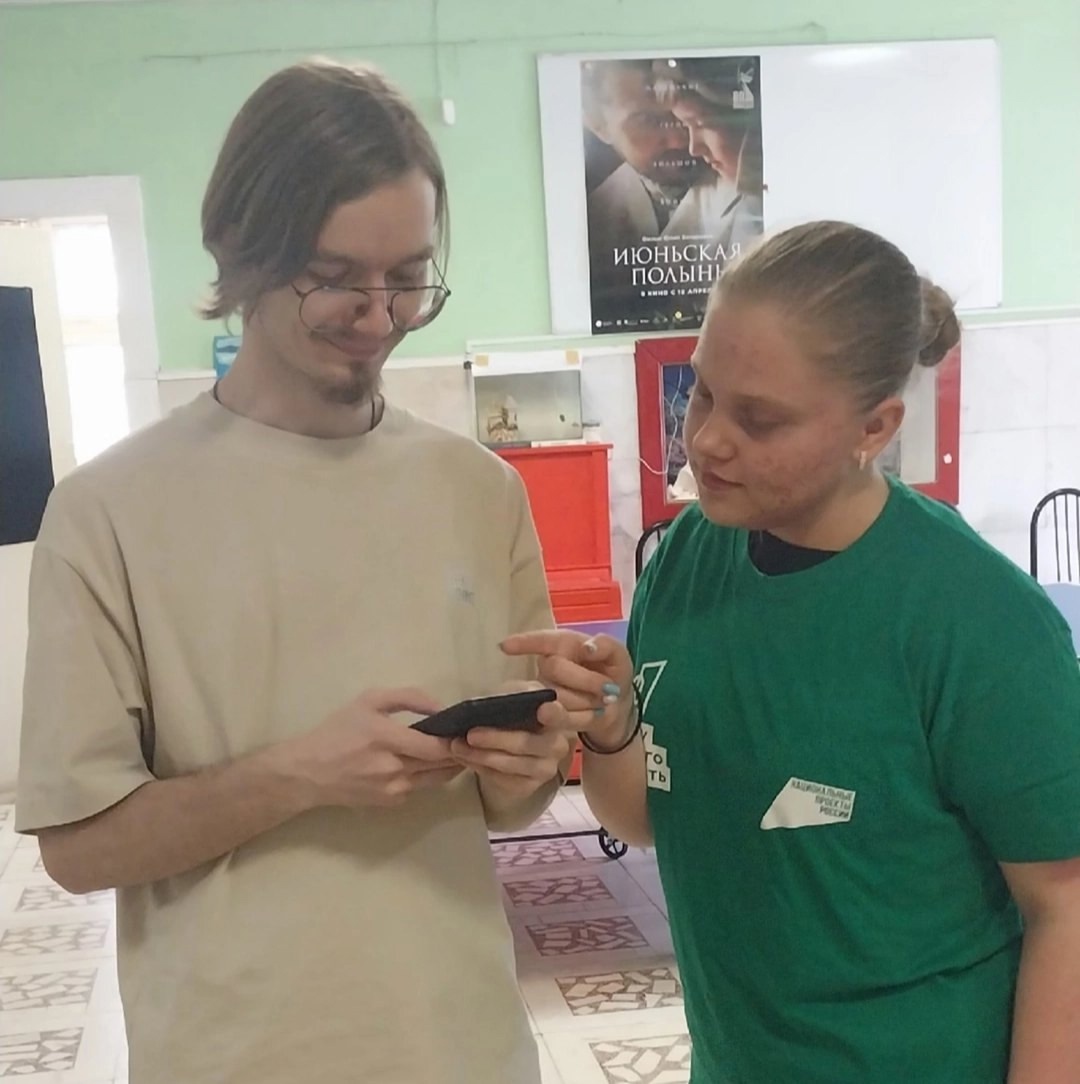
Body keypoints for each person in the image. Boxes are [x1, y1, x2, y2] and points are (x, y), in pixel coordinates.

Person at [16, 59, 573, 1084]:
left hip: (465, 1047)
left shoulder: (477, 490)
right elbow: (78, 847)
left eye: (408, 277)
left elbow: (506, 804)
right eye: (335, 275)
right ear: (240, 251)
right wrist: (301, 774)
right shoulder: (109, 512)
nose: (379, 315)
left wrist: (533, 763)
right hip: (234, 1057)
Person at [506, 221, 1080, 1082]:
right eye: (702, 394)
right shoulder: (688, 562)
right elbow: (654, 821)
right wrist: (612, 723)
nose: (707, 440)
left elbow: (1065, 904)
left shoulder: (973, 619)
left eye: (760, 418)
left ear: (873, 428)